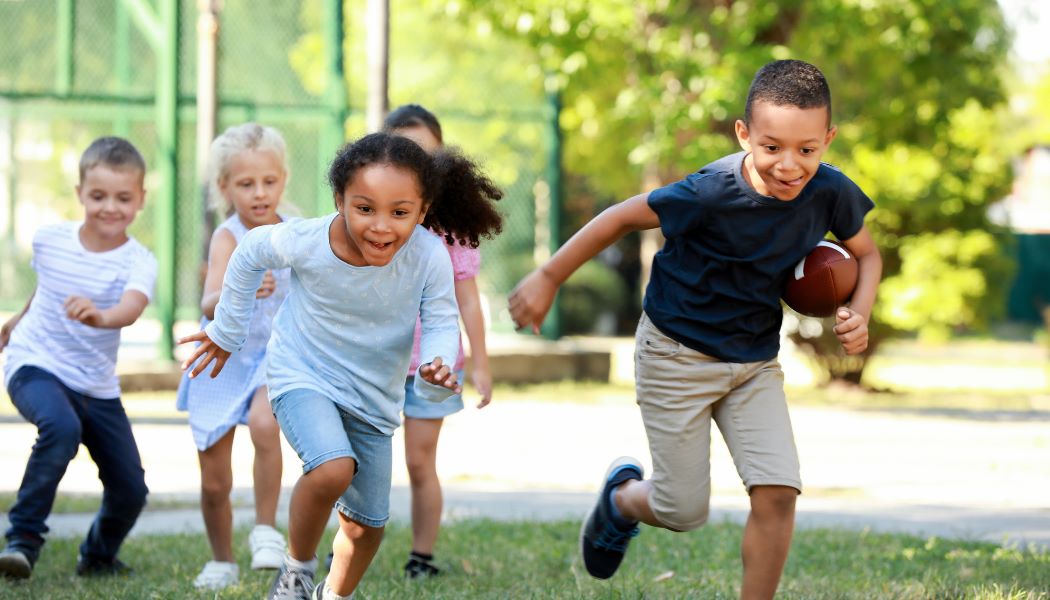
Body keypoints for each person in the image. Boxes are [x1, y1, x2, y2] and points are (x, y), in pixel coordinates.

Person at [508, 59, 882, 599]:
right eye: (771, 146)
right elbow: (618, 217)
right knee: (682, 510)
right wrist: (547, 277)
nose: (789, 165)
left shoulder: (830, 192)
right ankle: (620, 501)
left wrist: (859, 311)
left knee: (778, 492)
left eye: (807, 149)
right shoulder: (709, 192)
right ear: (744, 134)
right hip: (675, 354)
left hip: (753, 362)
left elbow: (866, 255)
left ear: (828, 139)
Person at [178, 131, 503, 600]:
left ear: (423, 209)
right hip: (301, 373)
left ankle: (333, 595)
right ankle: (295, 572)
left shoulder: (428, 255)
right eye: (364, 208)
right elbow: (249, 252)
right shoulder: (309, 239)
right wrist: (227, 331)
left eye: (400, 212)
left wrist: (435, 364)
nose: (381, 226)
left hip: (373, 397)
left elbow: (439, 320)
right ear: (340, 200)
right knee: (332, 468)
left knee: (366, 525)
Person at [0, 137, 157, 579]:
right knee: (60, 427)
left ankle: (98, 555)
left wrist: (100, 316)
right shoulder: (49, 240)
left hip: (96, 384)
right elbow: (46, 285)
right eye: (98, 196)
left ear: (140, 199)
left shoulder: (139, 261)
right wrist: (16, 320)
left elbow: (132, 307)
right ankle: (22, 542)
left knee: (130, 489)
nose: (110, 207)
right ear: (80, 194)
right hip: (35, 365)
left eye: (123, 198)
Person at [175, 123, 293, 589]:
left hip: (273, 355)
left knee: (267, 424)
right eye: (246, 184)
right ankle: (221, 558)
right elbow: (208, 304)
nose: (260, 194)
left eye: (269, 181)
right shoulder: (228, 236)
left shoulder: (295, 233)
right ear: (224, 187)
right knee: (214, 481)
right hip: (222, 357)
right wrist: (235, 291)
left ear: (283, 179)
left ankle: (265, 530)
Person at [383, 104, 497, 578]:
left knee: (418, 462)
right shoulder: (375, 222)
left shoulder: (453, 232)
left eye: (426, 154)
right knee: (352, 461)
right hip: (374, 361)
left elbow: (468, 301)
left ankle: (421, 557)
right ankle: (345, 544)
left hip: (433, 366)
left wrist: (481, 364)